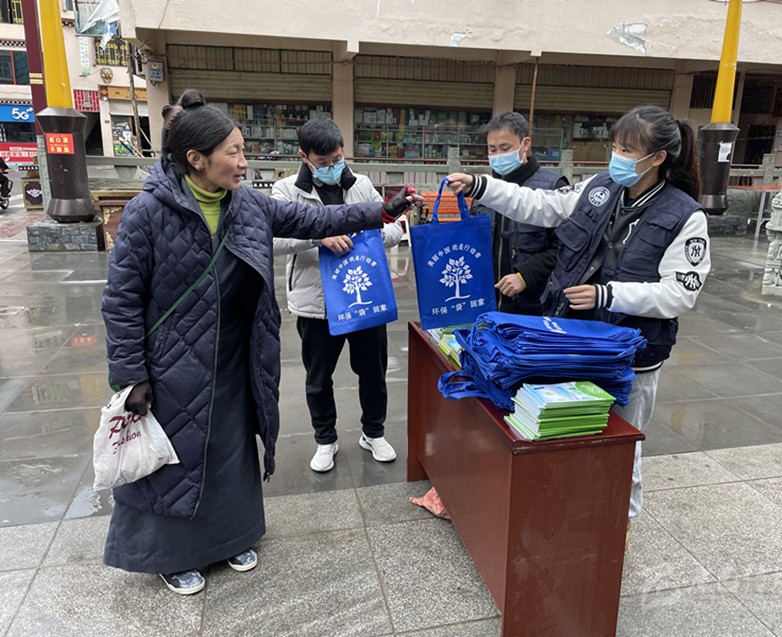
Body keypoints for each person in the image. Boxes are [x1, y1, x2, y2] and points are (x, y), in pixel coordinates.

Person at [101, 89, 420, 595]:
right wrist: (130, 375)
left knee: (231, 448)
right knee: (176, 456)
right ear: (196, 159)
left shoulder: (248, 204)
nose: (243, 163)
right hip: (171, 362)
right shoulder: (146, 213)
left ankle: (233, 535)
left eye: (242, 150)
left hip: (236, 354)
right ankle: (172, 555)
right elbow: (121, 299)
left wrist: (382, 210)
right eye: (233, 153)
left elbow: (317, 221)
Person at [448, 105, 711, 528]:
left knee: (620, 443)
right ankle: (567, 514)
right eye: (616, 147)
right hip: (570, 337)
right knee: (565, 427)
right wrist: (482, 185)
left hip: (629, 353)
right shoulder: (600, 187)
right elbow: (540, 205)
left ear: (657, 157)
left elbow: (680, 293)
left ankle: (617, 524)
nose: (617, 157)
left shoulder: (684, 215)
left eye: (627, 150)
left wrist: (609, 295)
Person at [272, 119, 403, 472]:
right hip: (317, 304)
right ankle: (325, 439)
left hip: (365, 299)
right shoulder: (286, 191)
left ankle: (373, 433)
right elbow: (273, 239)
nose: (332, 167)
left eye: (337, 159)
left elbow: (393, 228)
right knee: (318, 379)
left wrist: (367, 235)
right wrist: (318, 237)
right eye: (323, 162)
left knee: (373, 373)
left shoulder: (362, 185)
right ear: (304, 157)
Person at [474, 112, 568, 314]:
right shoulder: (483, 190)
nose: (498, 155)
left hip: (535, 304)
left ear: (525, 144)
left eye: (505, 148)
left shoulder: (553, 187)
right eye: (492, 149)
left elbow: (566, 247)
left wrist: (526, 275)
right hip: (487, 300)